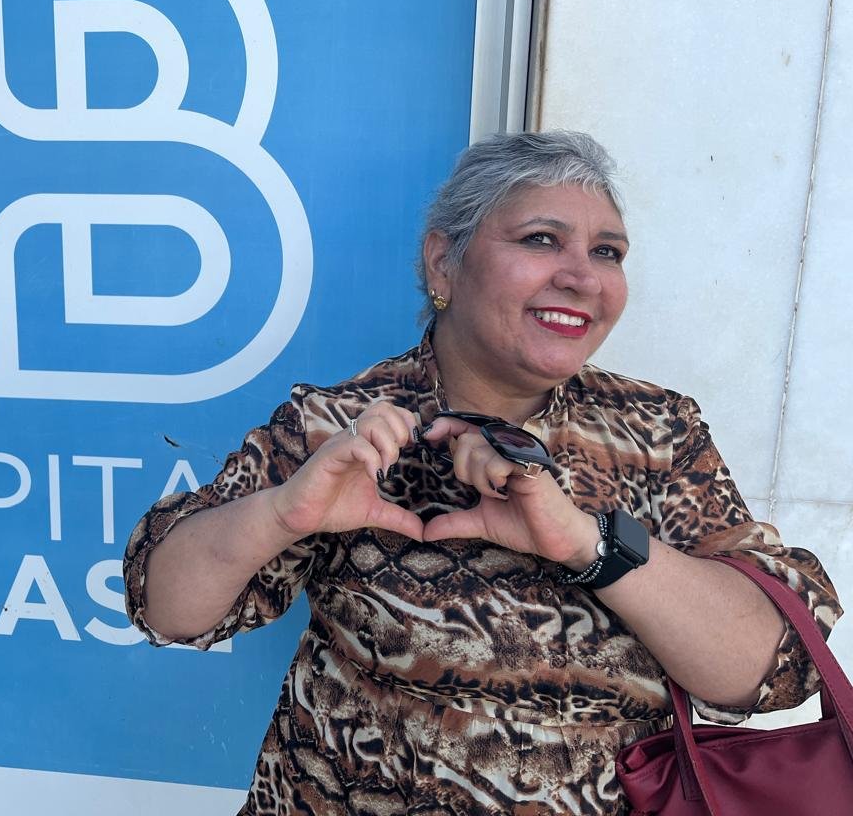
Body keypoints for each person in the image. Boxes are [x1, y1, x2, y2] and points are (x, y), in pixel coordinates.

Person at [122, 131, 841, 816]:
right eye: (541, 239)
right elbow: (166, 607)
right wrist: (283, 512)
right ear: (444, 263)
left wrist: (590, 545)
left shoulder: (657, 433)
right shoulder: (337, 426)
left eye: (607, 251)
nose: (582, 277)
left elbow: (769, 670)